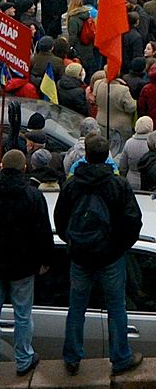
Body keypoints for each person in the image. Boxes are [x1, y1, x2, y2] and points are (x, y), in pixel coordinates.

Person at [54, 135, 144, 376]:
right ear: (107, 157)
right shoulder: (118, 185)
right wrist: (118, 247)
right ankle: (121, 357)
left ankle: (72, 357)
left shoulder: (72, 184)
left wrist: (73, 241)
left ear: (86, 156)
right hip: (111, 257)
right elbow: (133, 221)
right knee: (117, 307)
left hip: (81, 256)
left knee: (77, 307)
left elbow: (60, 219)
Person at [0, 149, 53, 377]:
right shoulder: (34, 197)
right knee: (23, 315)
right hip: (23, 267)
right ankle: (24, 358)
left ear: (1, 167)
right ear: (24, 168)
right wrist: (46, 260)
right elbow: (43, 232)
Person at [118, 116, 153, 190]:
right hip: (150, 182)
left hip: (131, 181)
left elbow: (123, 166)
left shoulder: (129, 143)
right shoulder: (152, 144)